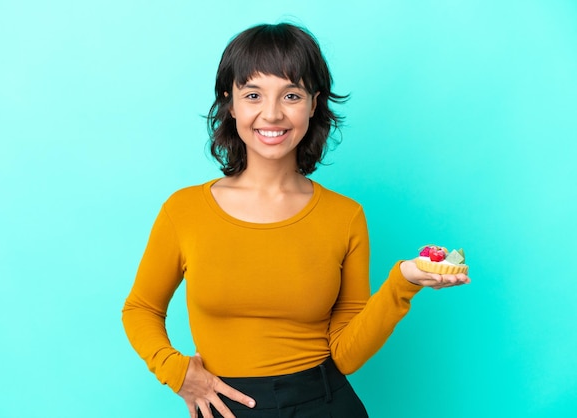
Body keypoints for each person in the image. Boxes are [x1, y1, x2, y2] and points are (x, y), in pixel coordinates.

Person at [122, 22, 470, 418]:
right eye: (253, 95)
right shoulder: (183, 210)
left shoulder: (345, 216)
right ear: (230, 103)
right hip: (226, 407)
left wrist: (402, 283)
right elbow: (141, 308)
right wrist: (177, 371)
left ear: (313, 103)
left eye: (291, 95)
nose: (271, 114)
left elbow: (346, 354)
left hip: (324, 403)